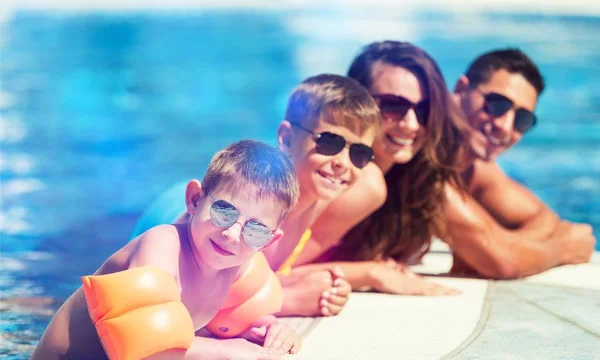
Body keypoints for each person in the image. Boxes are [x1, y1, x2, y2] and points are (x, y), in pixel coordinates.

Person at [128, 74, 380, 316]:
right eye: (329, 143)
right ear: (286, 137)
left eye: (359, 154)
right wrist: (286, 300)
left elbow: (265, 274)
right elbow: (178, 302)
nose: (343, 163)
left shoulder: (328, 195)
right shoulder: (240, 215)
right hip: (170, 212)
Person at [31, 140, 302, 360]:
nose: (232, 235)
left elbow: (237, 318)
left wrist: (266, 328)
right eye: (223, 212)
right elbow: (144, 347)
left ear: (268, 241)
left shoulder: (238, 264)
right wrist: (225, 352)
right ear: (194, 200)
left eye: (254, 230)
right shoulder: (162, 247)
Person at [283, 41, 470, 295]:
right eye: (393, 106)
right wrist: (371, 273)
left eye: (425, 110)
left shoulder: (407, 180)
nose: (411, 124)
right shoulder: (364, 181)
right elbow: (277, 271)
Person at [445, 48, 596, 279]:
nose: (505, 127)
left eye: (522, 119)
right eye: (497, 104)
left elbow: (543, 219)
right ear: (461, 89)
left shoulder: (473, 168)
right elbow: (503, 263)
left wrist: (508, 245)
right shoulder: (424, 160)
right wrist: (564, 248)